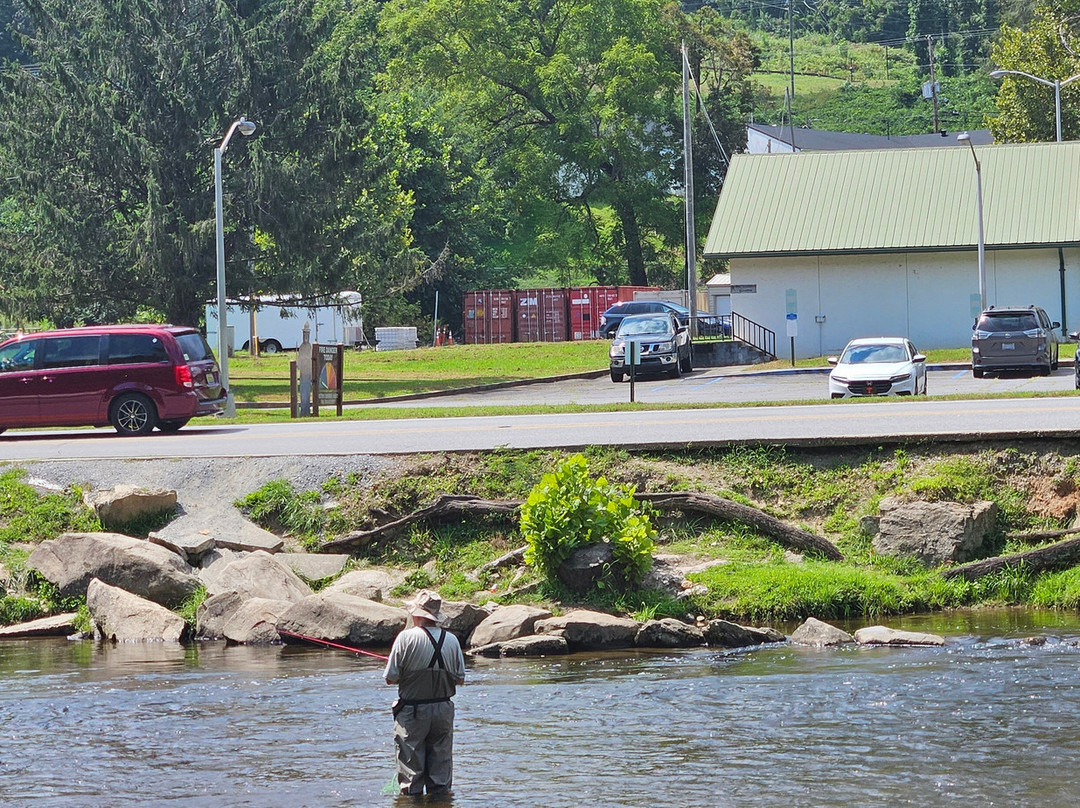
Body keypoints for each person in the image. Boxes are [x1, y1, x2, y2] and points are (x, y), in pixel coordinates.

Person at [384, 590, 466, 797]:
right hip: (443, 711)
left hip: (412, 712)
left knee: (411, 777)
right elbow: (460, 679)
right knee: (441, 776)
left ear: (417, 614)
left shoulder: (405, 638)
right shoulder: (452, 640)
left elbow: (390, 678)